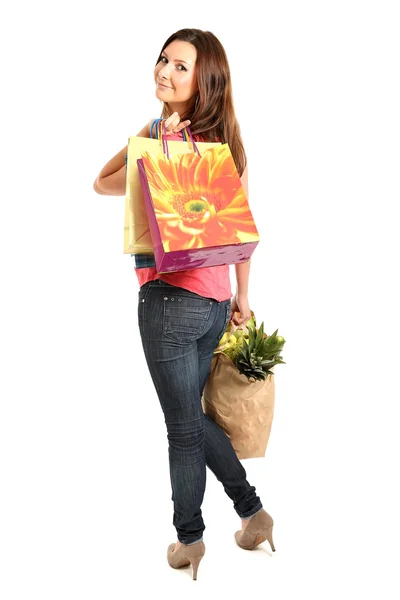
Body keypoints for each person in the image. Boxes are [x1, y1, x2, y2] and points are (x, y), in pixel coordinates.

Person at [93, 28, 275, 581]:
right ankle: (254, 515)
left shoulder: (162, 137)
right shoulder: (228, 144)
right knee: (190, 420)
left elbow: (101, 184)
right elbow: (243, 230)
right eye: (162, 60)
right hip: (217, 304)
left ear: (205, 80)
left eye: (179, 66)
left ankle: (189, 540)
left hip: (169, 303)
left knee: (183, 428)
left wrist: (151, 145)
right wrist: (243, 296)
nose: (164, 72)